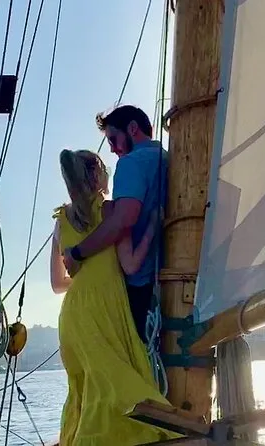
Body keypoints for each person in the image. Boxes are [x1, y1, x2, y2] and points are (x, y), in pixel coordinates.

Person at [50, 149, 179, 445]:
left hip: (72, 316)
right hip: (105, 310)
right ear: (97, 175)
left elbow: (57, 284)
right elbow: (130, 264)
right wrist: (152, 227)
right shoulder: (110, 212)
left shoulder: (61, 221)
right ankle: (176, 431)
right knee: (122, 384)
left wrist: (85, 278)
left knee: (86, 390)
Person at [62, 105, 167, 345]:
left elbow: (123, 220)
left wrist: (76, 253)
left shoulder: (131, 163)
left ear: (132, 128)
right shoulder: (166, 158)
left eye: (113, 139)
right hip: (168, 277)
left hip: (139, 289)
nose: (111, 148)